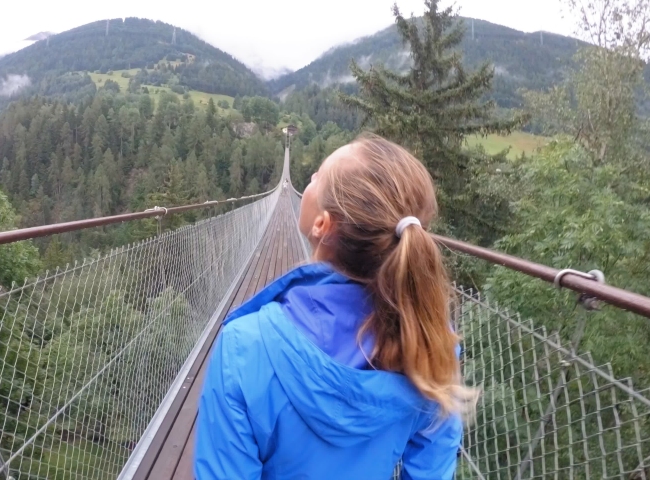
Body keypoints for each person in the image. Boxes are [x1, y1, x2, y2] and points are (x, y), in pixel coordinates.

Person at [194, 134, 477, 479]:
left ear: (322, 225)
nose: (308, 180)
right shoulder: (429, 340)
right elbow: (432, 468)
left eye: (317, 176)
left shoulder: (243, 347)